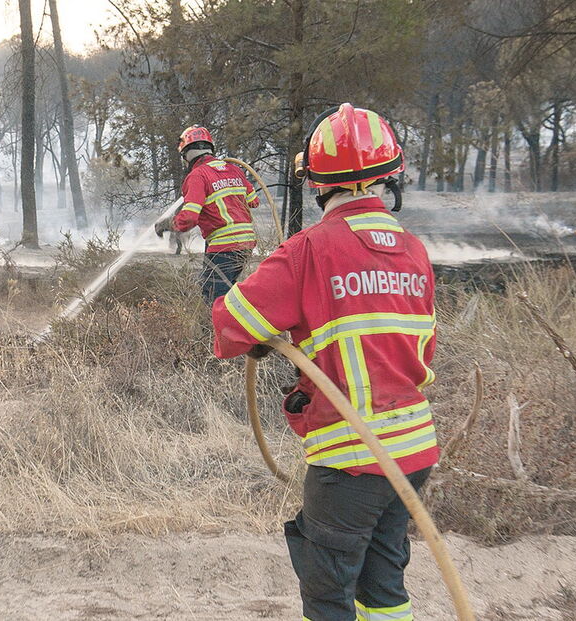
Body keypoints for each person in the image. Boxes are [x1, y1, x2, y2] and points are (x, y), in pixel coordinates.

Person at [211, 103, 437, 621]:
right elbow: (421, 351)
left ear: (316, 183)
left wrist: (268, 333)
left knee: (328, 596)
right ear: (389, 177)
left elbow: (230, 326)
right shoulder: (415, 251)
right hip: (414, 453)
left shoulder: (309, 249)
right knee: (384, 587)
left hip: (351, 460)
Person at [155, 125, 259, 303]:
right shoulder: (234, 170)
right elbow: (253, 201)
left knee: (214, 298)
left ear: (187, 154)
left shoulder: (197, 176)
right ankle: (237, 326)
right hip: (246, 245)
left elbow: (188, 218)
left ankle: (220, 331)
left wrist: (167, 224)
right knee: (228, 295)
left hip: (224, 246)